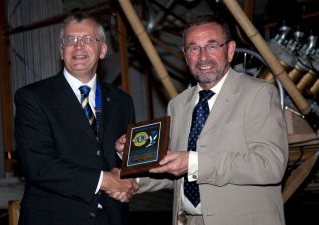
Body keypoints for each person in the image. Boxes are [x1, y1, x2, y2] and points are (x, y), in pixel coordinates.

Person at [117, 15, 288, 225]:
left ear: (230, 50)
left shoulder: (259, 94)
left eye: (212, 45)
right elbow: (174, 170)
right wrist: (131, 171)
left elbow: (270, 165)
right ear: (185, 55)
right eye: (193, 48)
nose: (203, 56)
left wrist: (194, 163)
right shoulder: (178, 105)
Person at [14, 12, 137, 225]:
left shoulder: (121, 101)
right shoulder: (33, 97)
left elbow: (122, 163)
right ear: (62, 52)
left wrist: (122, 159)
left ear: (103, 50)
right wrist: (104, 181)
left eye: (88, 39)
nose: (78, 46)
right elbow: (39, 166)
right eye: (70, 40)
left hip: (112, 217)